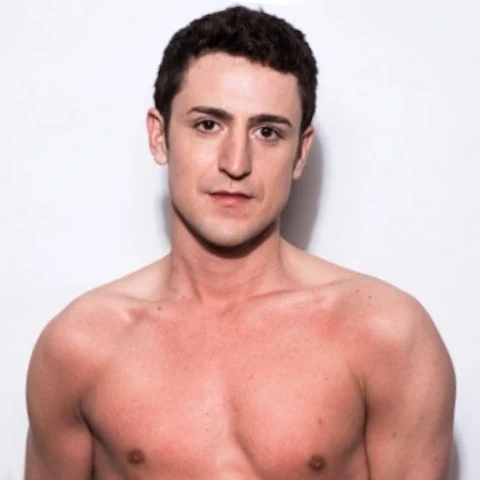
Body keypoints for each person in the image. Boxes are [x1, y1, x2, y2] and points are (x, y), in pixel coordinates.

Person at [24, 5, 456, 479]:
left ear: (300, 152)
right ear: (159, 136)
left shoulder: (385, 336)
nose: (236, 163)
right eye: (208, 125)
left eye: (267, 132)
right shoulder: (81, 345)